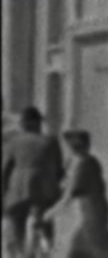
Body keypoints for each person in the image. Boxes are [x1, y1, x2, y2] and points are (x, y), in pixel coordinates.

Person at [2, 109, 63, 258]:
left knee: (15, 222)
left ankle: (18, 252)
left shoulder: (14, 141)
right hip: (44, 191)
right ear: (37, 123)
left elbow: (5, 170)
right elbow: (59, 170)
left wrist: (3, 192)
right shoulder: (51, 141)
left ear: (24, 123)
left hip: (18, 190)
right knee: (45, 222)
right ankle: (45, 248)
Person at [51, 130, 108, 258]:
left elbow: (68, 197)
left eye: (67, 147)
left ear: (73, 148)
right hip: (94, 217)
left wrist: (48, 215)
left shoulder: (84, 165)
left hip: (91, 219)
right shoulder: (90, 161)